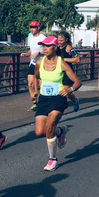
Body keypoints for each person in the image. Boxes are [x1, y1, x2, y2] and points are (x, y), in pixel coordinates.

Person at [34, 36, 81, 171]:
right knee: (39, 132)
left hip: (58, 98)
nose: (44, 49)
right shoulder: (39, 63)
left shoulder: (62, 63)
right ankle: (60, 131)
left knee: (49, 128)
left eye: (47, 46)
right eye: (43, 46)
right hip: (44, 99)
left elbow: (77, 82)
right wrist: (37, 91)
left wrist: (69, 90)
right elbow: (38, 77)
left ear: (55, 48)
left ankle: (52, 160)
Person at [21, 20, 45, 111]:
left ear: (38, 28)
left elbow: (48, 50)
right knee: (30, 84)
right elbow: (31, 50)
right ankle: (35, 103)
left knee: (41, 84)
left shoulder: (43, 38)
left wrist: (39, 53)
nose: (32, 29)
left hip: (41, 63)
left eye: (34, 27)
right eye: (31, 27)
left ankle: (43, 102)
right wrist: (26, 54)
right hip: (33, 63)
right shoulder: (31, 38)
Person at [57, 31, 80, 112]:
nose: (59, 42)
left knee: (66, 90)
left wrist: (64, 59)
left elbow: (77, 59)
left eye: (61, 40)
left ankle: (75, 100)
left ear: (66, 40)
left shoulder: (69, 48)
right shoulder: (56, 48)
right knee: (60, 90)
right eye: (58, 40)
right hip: (58, 71)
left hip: (67, 71)